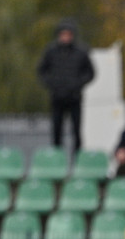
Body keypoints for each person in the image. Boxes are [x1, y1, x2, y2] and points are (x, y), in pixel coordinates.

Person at [37, 19, 95, 152]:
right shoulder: (51, 51)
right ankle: (57, 159)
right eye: (63, 34)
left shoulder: (81, 52)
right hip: (57, 97)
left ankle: (77, 159)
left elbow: (90, 72)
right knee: (56, 129)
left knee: (77, 130)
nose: (65, 37)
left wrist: (78, 84)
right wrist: (52, 84)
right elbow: (42, 71)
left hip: (74, 97)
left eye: (68, 34)